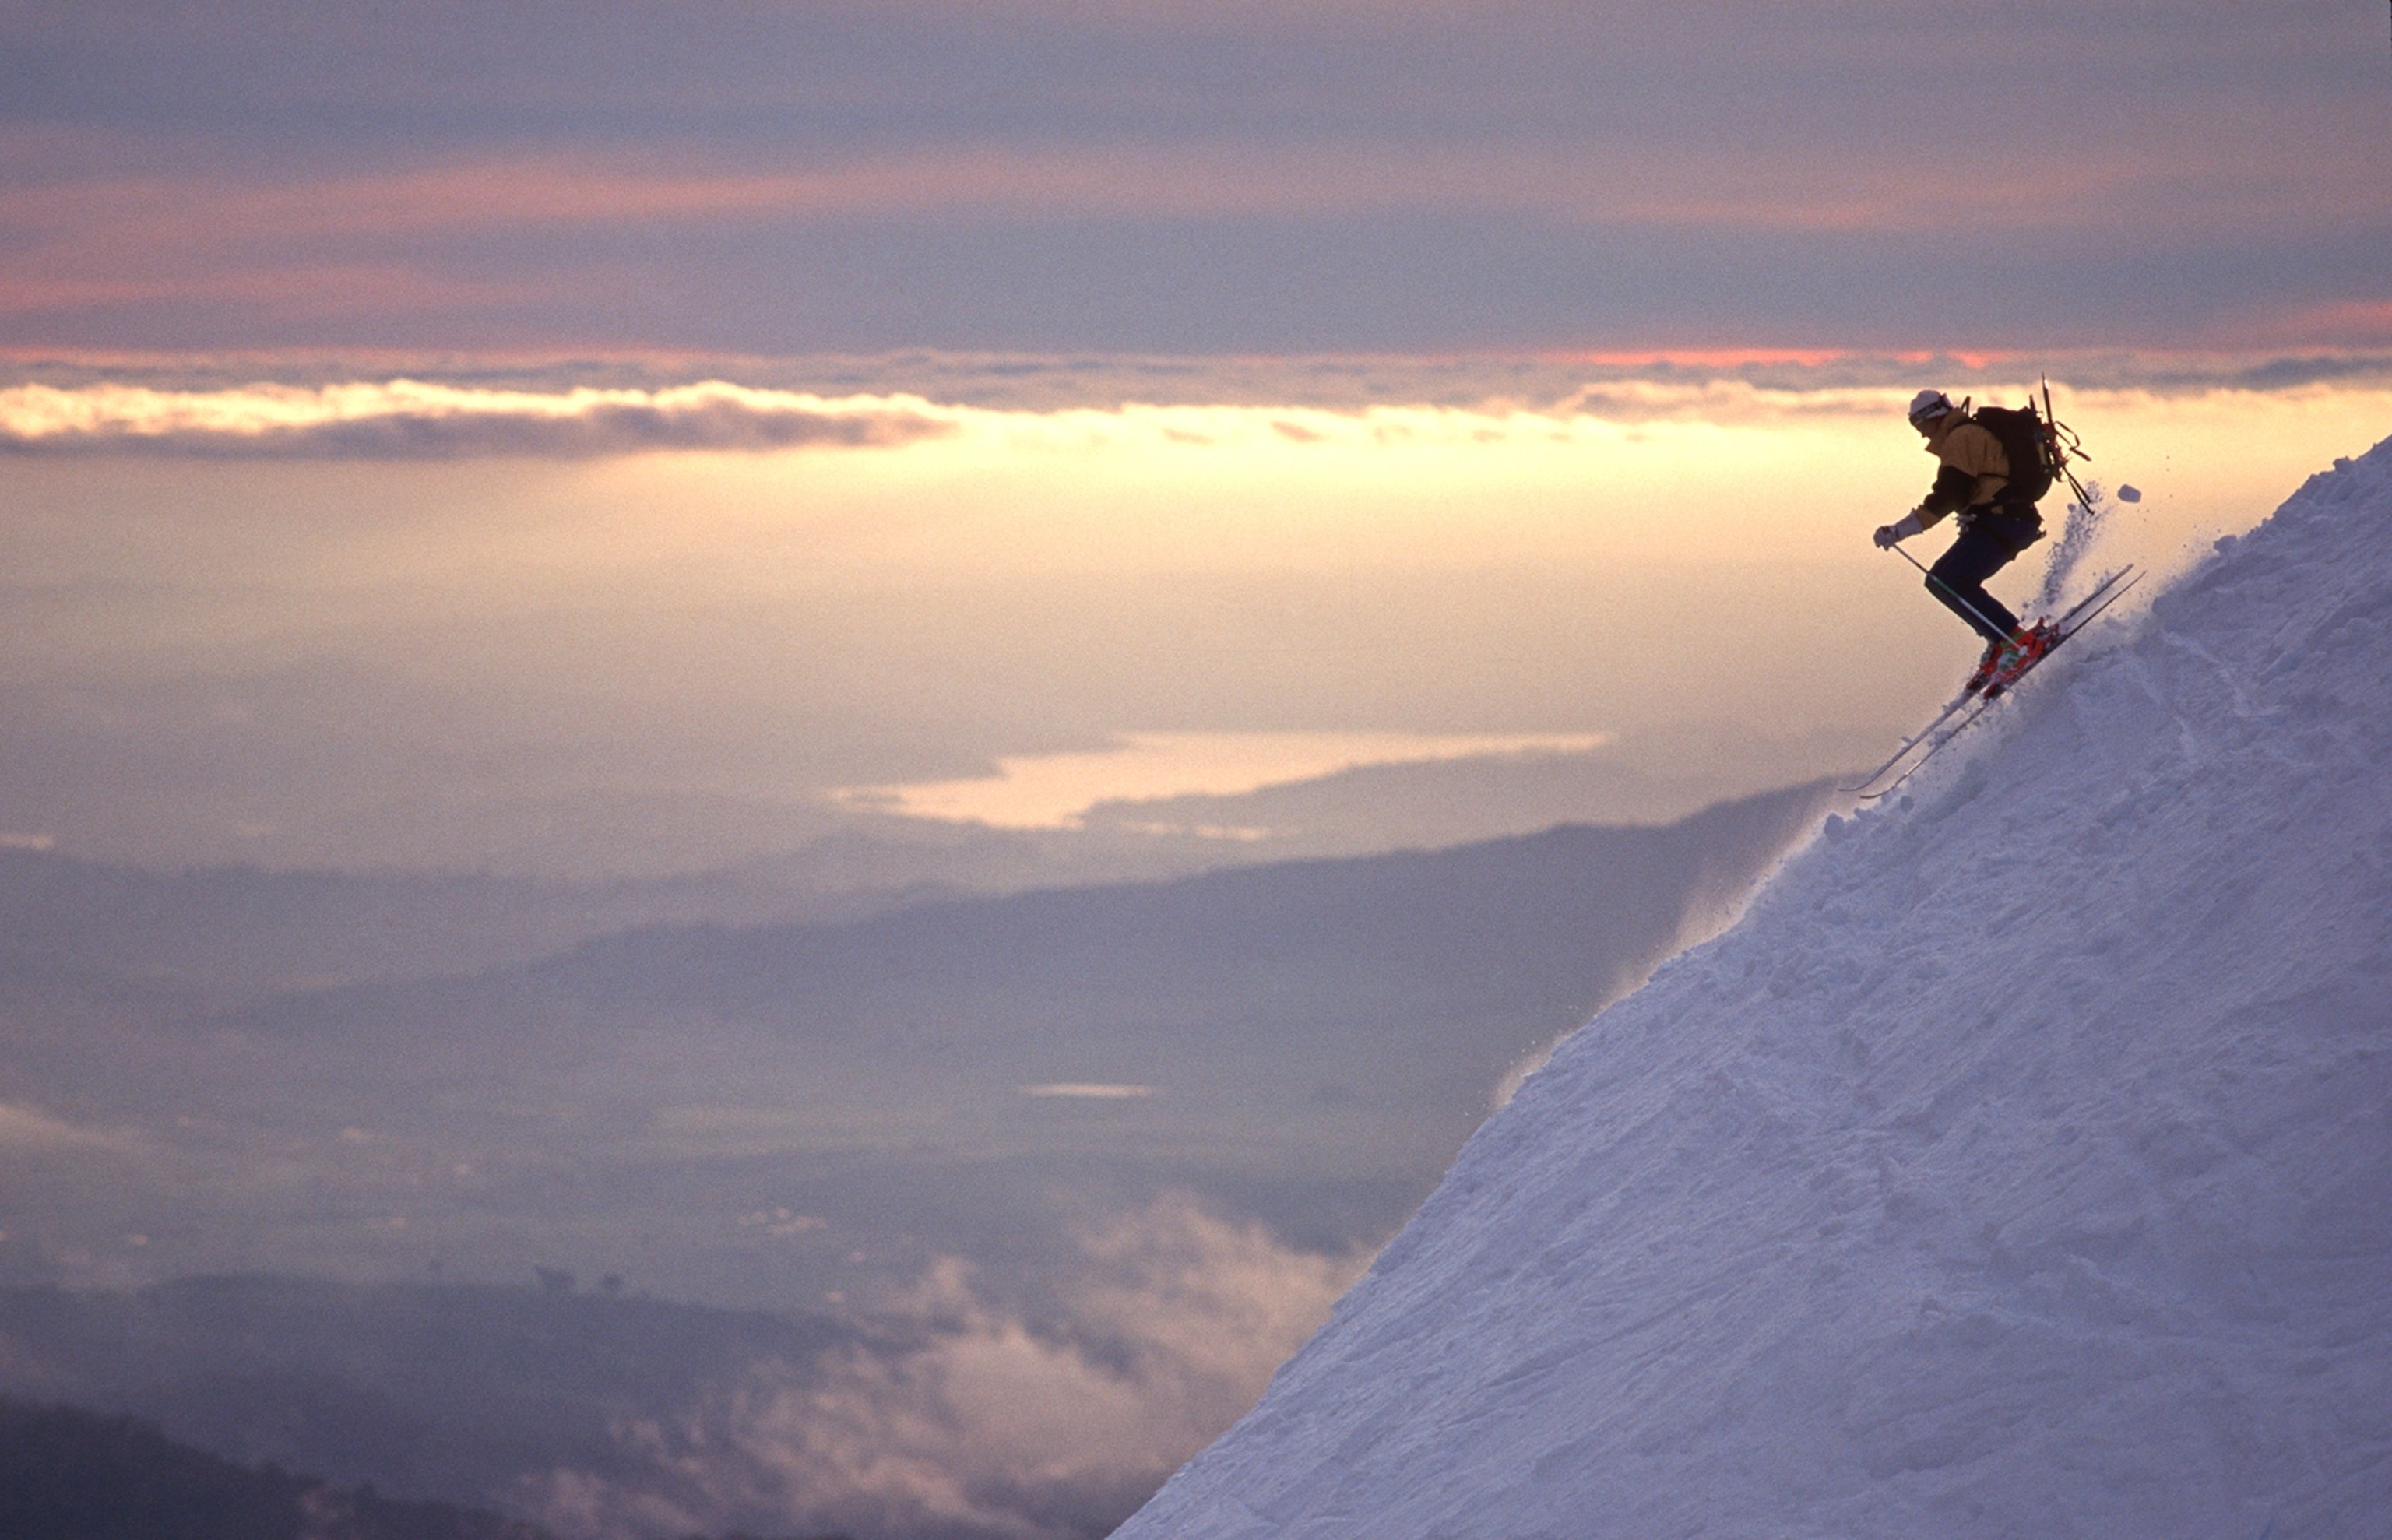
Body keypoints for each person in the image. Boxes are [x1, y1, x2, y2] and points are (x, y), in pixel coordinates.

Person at [1873, 389, 2052, 693]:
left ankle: (2016, 642)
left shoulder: (1961, 439)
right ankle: (2002, 641)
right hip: (2002, 521)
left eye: (1920, 427)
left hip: (2006, 520)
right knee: (1938, 581)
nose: (1921, 435)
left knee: (1953, 581)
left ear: (1932, 418)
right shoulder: (1963, 436)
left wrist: (1900, 530)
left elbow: (1949, 495)